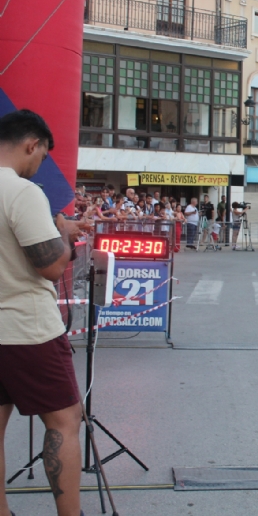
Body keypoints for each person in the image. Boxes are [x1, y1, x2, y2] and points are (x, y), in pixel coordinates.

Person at [0, 109, 93, 516]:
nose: (38, 166)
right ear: (31, 144)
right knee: (64, 420)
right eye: (40, 158)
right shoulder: (21, 191)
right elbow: (51, 264)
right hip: (26, 328)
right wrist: (62, 232)